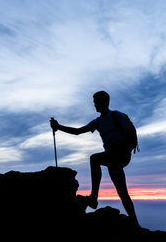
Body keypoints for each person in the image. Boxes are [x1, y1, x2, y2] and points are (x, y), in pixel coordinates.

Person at [50, 91, 139, 226]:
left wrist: (120, 144)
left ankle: (94, 197)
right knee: (122, 192)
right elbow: (78, 131)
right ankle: (135, 222)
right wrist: (58, 127)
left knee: (95, 159)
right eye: (94, 102)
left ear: (105, 102)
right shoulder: (98, 122)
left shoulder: (116, 115)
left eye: (96, 102)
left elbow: (129, 134)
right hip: (112, 159)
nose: (95, 105)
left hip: (122, 155)